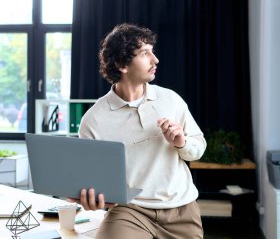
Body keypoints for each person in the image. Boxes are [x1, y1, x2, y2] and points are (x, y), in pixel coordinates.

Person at [78, 23, 207, 239]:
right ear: (121, 64)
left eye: (152, 52)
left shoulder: (171, 100)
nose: (155, 60)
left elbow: (199, 149)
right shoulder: (93, 120)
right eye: (145, 54)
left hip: (181, 209)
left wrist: (181, 142)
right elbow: (89, 180)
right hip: (130, 211)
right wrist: (92, 198)